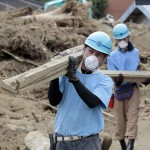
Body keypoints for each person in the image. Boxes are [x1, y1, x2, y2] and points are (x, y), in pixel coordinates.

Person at [48, 31, 113, 150]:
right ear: (84, 50)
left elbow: (92, 102)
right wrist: (55, 74)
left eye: (98, 55)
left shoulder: (104, 80)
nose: (93, 56)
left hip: (87, 143)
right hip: (62, 142)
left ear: (103, 59)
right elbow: (54, 100)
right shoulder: (66, 74)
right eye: (90, 51)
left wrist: (74, 79)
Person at [107, 23, 150, 150]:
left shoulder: (135, 52)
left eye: (124, 38)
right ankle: (122, 144)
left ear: (128, 37)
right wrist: (118, 81)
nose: (123, 41)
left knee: (133, 117)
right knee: (120, 120)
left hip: (133, 88)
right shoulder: (112, 56)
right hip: (119, 90)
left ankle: (131, 144)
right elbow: (112, 75)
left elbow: (137, 69)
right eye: (120, 39)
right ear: (116, 40)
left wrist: (145, 78)